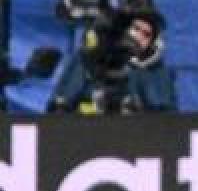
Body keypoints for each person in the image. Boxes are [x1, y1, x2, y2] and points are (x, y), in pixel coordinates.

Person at [48, 10, 177, 114]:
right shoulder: (87, 59)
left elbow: (167, 120)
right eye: (136, 28)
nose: (138, 36)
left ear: (151, 43)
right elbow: (59, 107)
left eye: (146, 34)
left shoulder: (156, 71)